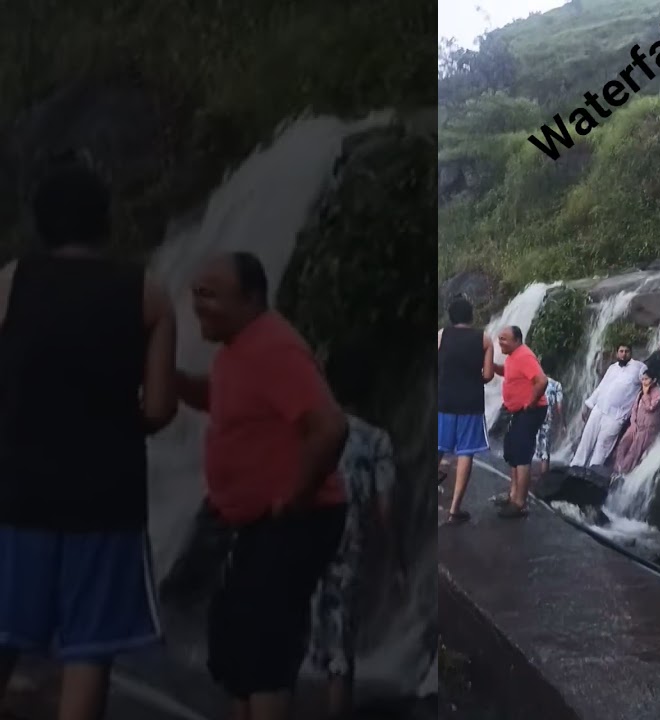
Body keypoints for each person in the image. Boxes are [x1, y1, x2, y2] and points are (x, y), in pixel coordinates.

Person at [0, 162, 178, 720]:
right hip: (106, 499)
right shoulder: (148, 294)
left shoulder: (8, 283)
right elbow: (158, 407)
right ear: (106, 223)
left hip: (17, 492)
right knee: (88, 652)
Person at [176, 251, 349, 720]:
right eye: (195, 293)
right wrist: (172, 382)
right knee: (235, 638)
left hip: (295, 519)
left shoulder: (273, 349)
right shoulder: (238, 350)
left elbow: (329, 427)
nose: (197, 303)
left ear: (250, 298)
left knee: (264, 647)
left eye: (210, 294)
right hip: (258, 523)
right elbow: (224, 400)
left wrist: (294, 496)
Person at [309, 412, 401, 720]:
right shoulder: (375, 439)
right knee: (340, 649)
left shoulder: (306, 428)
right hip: (348, 552)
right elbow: (385, 512)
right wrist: (396, 561)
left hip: (302, 545)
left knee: (310, 648)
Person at [437, 296, 495, 523]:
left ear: (451, 317)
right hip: (470, 402)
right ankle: (455, 510)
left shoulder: (441, 335)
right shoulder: (484, 339)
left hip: (444, 399)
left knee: (438, 446)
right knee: (465, 452)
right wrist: (471, 379)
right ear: (471, 316)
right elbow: (489, 375)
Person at [491, 326, 548, 519]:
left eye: (504, 339)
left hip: (530, 411)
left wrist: (530, 403)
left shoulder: (524, 356)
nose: (500, 343)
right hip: (518, 411)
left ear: (517, 340)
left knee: (522, 455)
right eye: (499, 339)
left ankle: (519, 504)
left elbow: (542, 380)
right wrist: (491, 366)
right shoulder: (512, 357)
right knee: (514, 453)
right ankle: (513, 495)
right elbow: (508, 373)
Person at [571, 344, 646, 469]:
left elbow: (647, 382)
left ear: (631, 353)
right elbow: (601, 387)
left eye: (627, 351)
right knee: (586, 440)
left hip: (616, 416)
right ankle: (574, 467)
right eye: (621, 351)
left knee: (603, 446)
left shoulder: (639, 368)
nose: (624, 354)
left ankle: (593, 473)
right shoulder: (612, 368)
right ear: (617, 353)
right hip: (599, 409)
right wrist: (588, 405)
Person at [613, 368, 660, 475]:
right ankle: (617, 469)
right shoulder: (641, 392)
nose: (644, 382)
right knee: (622, 445)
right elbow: (634, 408)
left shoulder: (658, 394)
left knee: (634, 452)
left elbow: (650, 407)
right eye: (643, 379)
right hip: (635, 426)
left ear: (654, 380)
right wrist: (633, 423)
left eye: (646, 379)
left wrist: (646, 395)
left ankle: (623, 473)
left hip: (647, 430)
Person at [534, 376, 564, 478]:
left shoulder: (533, 381)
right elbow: (559, 407)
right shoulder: (556, 385)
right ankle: (543, 480)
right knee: (545, 453)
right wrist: (562, 423)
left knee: (527, 450)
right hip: (547, 420)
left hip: (532, 416)